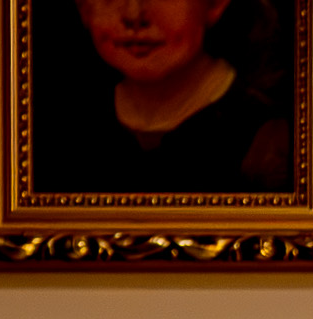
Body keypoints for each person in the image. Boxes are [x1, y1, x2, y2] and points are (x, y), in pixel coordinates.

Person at [37, 0, 294, 196]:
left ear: (216, 4)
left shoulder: (269, 134)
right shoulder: (55, 129)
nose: (134, 16)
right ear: (83, 9)